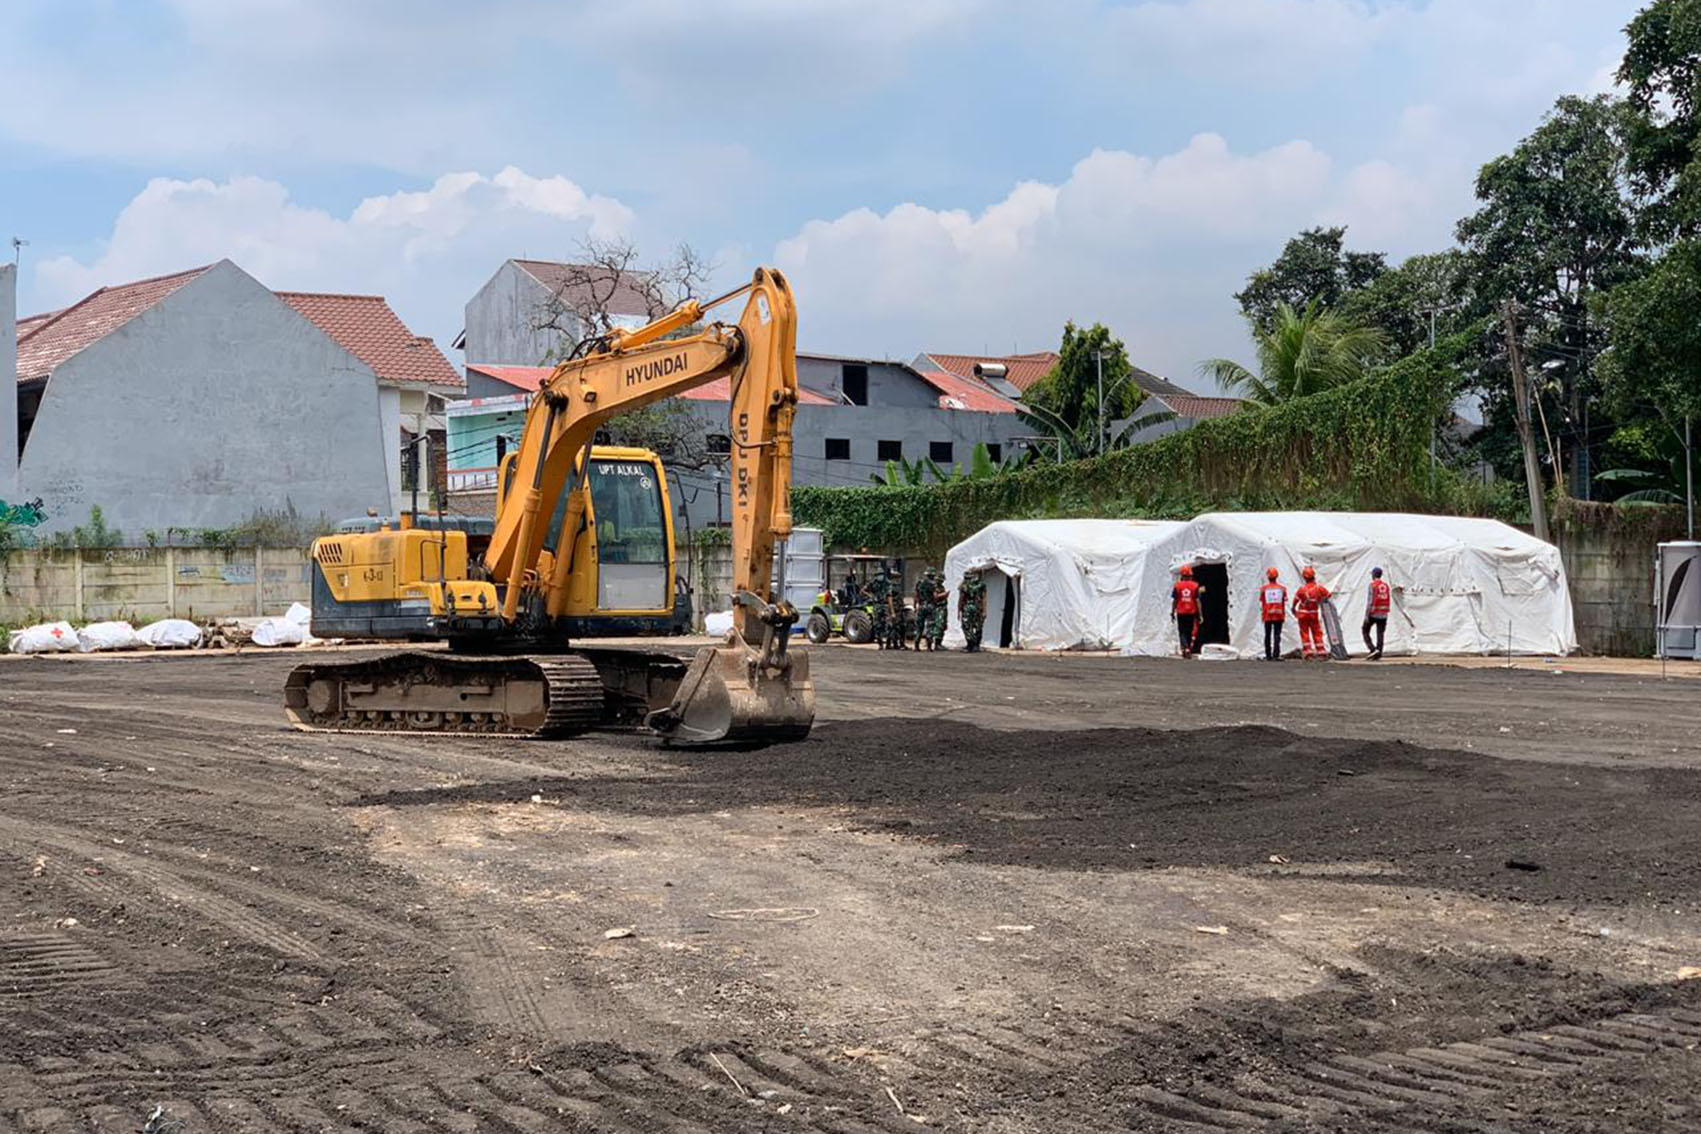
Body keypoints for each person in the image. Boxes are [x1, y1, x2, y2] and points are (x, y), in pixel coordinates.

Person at [1291, 566, 1331, 660]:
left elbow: (1295, 602)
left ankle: (1308, 652)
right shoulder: (1319, 588)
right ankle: (1321, 651)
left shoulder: (1301, 590)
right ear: (1314, 576)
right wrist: (1319, 600)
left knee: (1304, 633)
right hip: (1313, 613)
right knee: (1317, 632)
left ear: (1304, 577)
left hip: (1303, 613)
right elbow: (1328, 595)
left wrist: (1293, 609)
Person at [1170, 563, 1204, 658]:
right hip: (1191, 611)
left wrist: (1172, 612)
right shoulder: (1195, 586)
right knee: (1189, 630)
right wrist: (1200, 614)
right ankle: (1188, 647)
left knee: (1182, 631)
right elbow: (1197, 600)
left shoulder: (1177, 586)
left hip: (1181, 611)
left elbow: (1175, 600)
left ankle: (1184, 647)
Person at [1363, 566, 1392, 660]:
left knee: (1365, 630)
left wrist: (1367, 615)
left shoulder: (1373, 585)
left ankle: (1372, 649)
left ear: (1374, 575)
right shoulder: (1386, 585)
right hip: (1384, 613)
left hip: (1373, 612)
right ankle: (1379, 651)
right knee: (1380, 633)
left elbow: (1370, 601)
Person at [1259, 566, 1288, 661]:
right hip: (1279, 614)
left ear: (1268, 577)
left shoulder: (1263, 589)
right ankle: (1276, 654)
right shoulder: (1282, 589)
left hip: (1267, 614)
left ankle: (1268, 655)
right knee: (1277, 634)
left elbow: (1262, 601)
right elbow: (1284, 600)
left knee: (1267, 634)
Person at [958, 568, 987, 652]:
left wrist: (959, 609)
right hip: (978, 608)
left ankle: (970, 644)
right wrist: (985, 610)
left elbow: (961, 598)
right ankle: (976, 645)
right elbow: (984, 598)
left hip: (967, 608)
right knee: (978, 626)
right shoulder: (981, 585)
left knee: (967, 626)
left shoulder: (964, 586)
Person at [869, 567, 891, 649]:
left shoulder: (887, 582)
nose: (879, 576)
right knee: (877, 625)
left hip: (884, 605)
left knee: (888, 625)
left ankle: (888, 644)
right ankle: (881, 644)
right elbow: (863, 590)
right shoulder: (874, 583)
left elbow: (889, 596)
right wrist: (871, 596)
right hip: (878, 605)